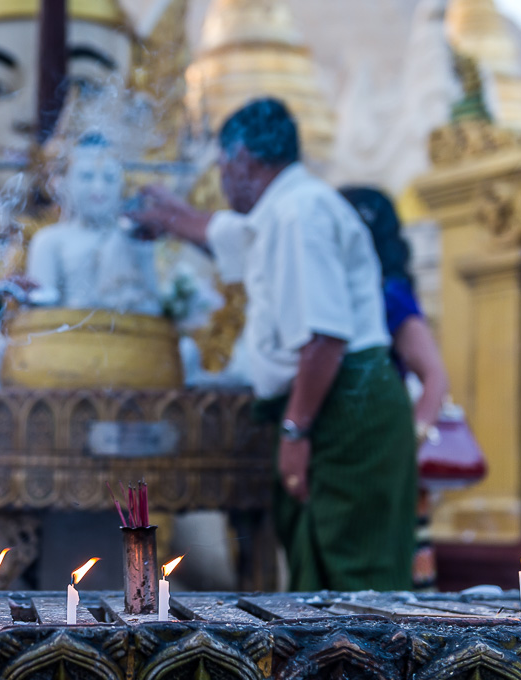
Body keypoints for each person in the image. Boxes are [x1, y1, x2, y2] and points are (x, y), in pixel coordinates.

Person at [132, 98, 417, 591]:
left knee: (357, 589)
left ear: (243, 161)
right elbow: (233, 236)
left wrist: (294, 432)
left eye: (222, 166)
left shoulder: (296, 214)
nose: (221, 179)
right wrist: (173, 217)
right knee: (321, 579)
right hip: (334, 400)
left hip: (342, 405)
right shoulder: (287, 207)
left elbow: (323, 339)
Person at [341, 186, 450, 591]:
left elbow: (435, 377)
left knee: (391, 563)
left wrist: (409, 441)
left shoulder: (388, 293)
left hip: (384, 447)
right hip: (362, 443)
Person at [26, 132, 160, 314]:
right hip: (67, 338)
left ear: (122, 185)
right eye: (87, 177)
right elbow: (39, 315)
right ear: (64, 183)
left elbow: (152, 308)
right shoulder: (49, 241)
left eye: (110, 178)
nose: (99, 188)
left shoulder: (134, 239)